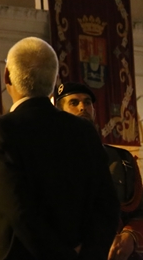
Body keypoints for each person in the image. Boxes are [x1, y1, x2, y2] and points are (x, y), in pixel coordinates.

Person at [0, 37, 119, 260]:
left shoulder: (1, 130)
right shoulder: (84, 131)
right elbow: (108, 205)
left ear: (6, 76)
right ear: (54, 80)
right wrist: (89, 254)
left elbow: (18, 210)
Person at [55, 82, 143, 260]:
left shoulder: (121, 159)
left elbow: (139, 211)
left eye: (87, 102)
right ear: (59, 112)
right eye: (74, 102)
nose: (82, 107)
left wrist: (129, 237)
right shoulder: (48, 157)